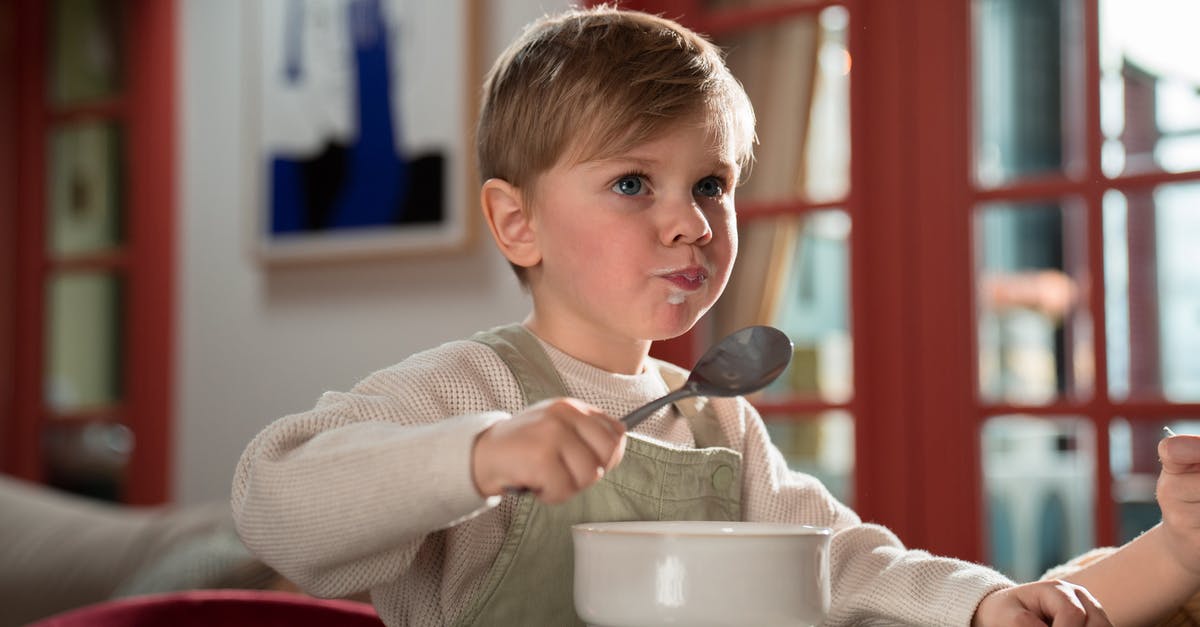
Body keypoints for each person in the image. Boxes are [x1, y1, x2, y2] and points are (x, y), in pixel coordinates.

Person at [232, 6, 1197, 626]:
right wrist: (479, 452)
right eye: (630, 182)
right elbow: (277, 502)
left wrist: (985, 604)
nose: (690, 222)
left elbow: (845, 565)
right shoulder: (471, 389)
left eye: (712, 183)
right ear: (515, 221)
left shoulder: (714, 414)